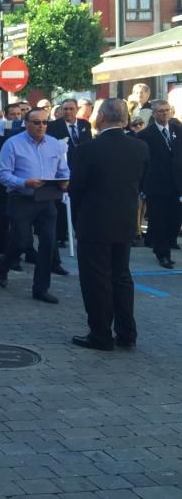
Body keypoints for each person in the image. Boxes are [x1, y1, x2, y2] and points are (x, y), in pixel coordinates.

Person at [69, 99, 149, 351]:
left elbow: (75, 189)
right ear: (125, 119)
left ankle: (101, 334)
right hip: (125, 220)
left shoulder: (87, 149)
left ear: (101, 117)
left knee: (96, 280)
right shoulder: (140, 147)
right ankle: (127, 333)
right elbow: (141, 183)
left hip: (94, 222)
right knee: (122, 277)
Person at [0, 107, 70, 303]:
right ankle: (4, 264)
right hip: (21, 199)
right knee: (23, 242)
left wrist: (64, 181)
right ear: (26, 124)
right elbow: (2, 175)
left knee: (48, 244)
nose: (41, 126)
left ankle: (41, 288)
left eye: (45, 122)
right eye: (36, 122)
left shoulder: (54, 144)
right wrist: (24, 182)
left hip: (47, 199)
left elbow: (63, 170)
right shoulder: (12, 144)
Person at [136, 100, 182, 268]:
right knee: (159, 219)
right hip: (156, 184)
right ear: (154, 114)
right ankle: (162, 253)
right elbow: (143, 162)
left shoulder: (178, 130)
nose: (164, 114)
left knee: (175, 219)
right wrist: (142, 186)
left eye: (166, 110)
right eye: (160, 111)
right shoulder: (146, 135)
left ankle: (165, 243)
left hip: (176, 184)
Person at [47, 98, 92, 247]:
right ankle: (60, 235)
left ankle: (79, 232)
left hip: (82, 169)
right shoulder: (53, 126)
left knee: (79, 203)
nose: (68, 112)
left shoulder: (85, 125)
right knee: (61, 204)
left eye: (71, 109)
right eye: (65, 109)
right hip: (63, 169)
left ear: (77, 109)